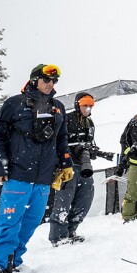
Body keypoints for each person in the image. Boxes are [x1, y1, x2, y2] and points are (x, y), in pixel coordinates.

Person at [0, 64, 73, 273]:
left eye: (54, 81)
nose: (50, 85)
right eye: (46, 80)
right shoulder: (13, 104)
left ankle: (15, 260)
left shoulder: (58, 107)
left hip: (44, 179)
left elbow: (61, 139)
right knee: (10, 223)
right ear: (34, 80)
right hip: (17, 176)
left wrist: (66, 163)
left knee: (31, 223)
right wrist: (0, 166)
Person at [49, 92, 97, 246]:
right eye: (85, 105)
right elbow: (57, 142)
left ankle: (72, 230)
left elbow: (90, 144)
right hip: (66, 166)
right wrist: (70, 151)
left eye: (90, 105)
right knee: (64, 200)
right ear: (77, 104)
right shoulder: (66, 119)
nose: (88, 108)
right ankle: (58, 236)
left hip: (84, 166)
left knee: (85, 197)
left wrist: (92, 150)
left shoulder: (90, 123)